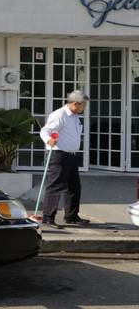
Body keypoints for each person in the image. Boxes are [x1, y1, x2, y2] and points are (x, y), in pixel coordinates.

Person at [39, 90, 90, 227]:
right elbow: (45, 131)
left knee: (74, 187)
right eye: (83, 105)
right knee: (56, 186)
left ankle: (71, 216)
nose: (84, 108)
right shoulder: (60, 114)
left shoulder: (74, 116)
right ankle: (48, 218)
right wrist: (48, 139)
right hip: (59, 155)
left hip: (71, 156)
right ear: (76, 103)